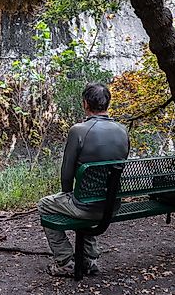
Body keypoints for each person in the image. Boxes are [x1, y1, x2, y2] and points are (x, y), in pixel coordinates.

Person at [38, 82, 130, 277]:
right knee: (87, 198)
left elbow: (66, 174)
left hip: (86, 206)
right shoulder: (122, 130)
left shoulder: (78, 131)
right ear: (107, 104)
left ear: (85, 104)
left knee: (45, 204)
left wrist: (67, 193)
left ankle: (64, 260)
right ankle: (90, 259)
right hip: (112, 204)